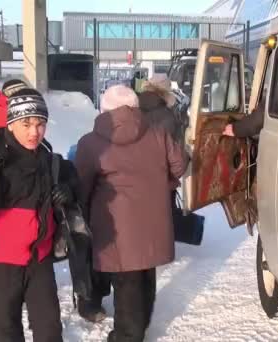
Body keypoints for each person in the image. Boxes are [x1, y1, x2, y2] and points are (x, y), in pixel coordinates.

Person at [75, 85, 189, 342]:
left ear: (104, 111)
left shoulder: (90, 143)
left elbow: (81, 186)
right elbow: (180, 166)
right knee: (145, 274)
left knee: (127, 282)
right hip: (153, 219)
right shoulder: (159, 133)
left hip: (114, 224)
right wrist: (162, 182)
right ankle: (139, 327)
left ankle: (128, 336)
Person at [0, 88, 74, 342]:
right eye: (26, 123)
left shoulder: (48, 160)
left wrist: (67, 191)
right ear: (11, 123)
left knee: (49, 327)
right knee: (7, 326)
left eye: (40, 124)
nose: (34, 132)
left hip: (39, 258)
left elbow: (76, 186)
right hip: (1, 260)